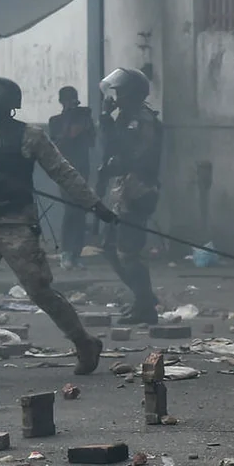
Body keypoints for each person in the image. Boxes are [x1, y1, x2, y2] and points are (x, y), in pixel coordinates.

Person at [0, 77, 117, 374]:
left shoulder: (31, 136)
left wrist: (94, 204)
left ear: (9, 107)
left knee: (40, 290)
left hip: (18, 224)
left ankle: (84, 343)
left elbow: (62, 172)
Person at [98, 68, 162, 325]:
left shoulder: (141, 121)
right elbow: (110, 146)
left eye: (121, 92)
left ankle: (145, 306)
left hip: (137, 190)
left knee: (128, 252)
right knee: (110, 248)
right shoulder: (126, 117)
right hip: (122, 189)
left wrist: (107, 119)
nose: (117, 96)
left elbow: (127, 150)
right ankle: (143, 297)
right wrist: (107, 118)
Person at [49, 86, 96, 270]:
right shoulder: (55, 121)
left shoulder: (84, 119)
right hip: (64, 171)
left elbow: (92, 142)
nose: (72, 102)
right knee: (71, 209)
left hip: (82, 169)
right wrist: (69, 124)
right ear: (62, 102)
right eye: (68, 99)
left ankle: (76, 253)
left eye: (74, 99)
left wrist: (84, 125)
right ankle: (67, 252)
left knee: (81, 210)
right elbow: (58, 143)